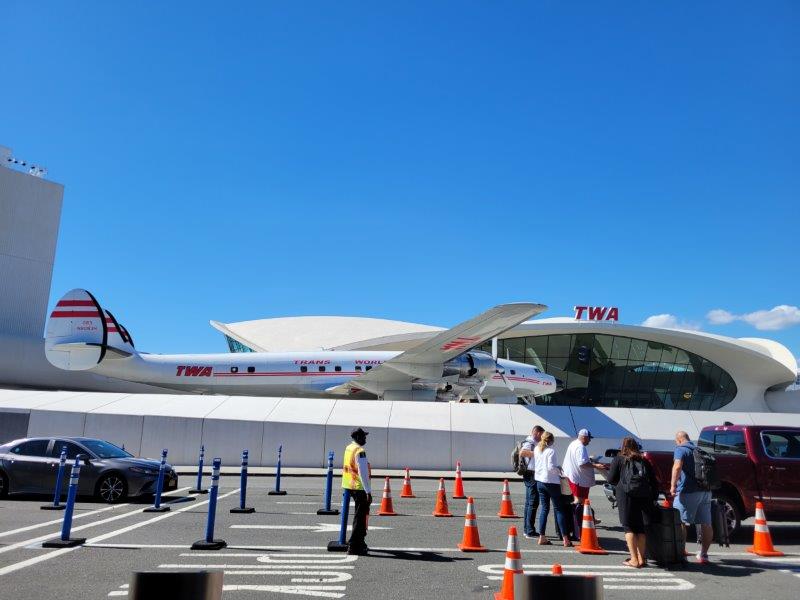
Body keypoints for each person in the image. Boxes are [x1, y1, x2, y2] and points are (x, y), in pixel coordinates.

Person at [608, 437, 658, 568]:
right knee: (640, 528)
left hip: (626, 495)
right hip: (644, 496)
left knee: (628, 527)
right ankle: (642, 559)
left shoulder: (619, 459)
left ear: (623, 446)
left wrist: (621, 485)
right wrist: (654, 497)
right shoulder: (644, 460)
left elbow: (611, 478)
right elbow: (653, 480)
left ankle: (634, 559)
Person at [670, 430, 712, 564]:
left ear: (679, 440)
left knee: (681, 522)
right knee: (706, 523)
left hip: (688, 491)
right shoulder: (699, 450)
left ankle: (681, 552)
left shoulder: (681, 450)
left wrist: (673, 486)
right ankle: (704, 555)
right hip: (705, 491)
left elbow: (677, 467)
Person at [533, 431, 572, 547]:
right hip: (551, 482)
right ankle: (565, 539)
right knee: (559, 509)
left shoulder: (537, 449)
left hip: (540, 480)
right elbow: (550, 467)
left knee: (544, 509)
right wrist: (558, 469)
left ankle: (542, 537)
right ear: (551, 440)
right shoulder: (551, 451)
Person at [342, 427, 372, 555]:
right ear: (358, 437)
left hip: (348, 485)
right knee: (360, 517)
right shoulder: (360, 451)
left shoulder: (349, 448)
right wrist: (368, 491)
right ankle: (354, 545)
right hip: (359, 487)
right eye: (364, 436)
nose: (365, 438)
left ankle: (359, 542)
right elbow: (363, 472)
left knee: (359, 516)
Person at [518, 425, 545, 539]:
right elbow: (522, 452)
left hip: (531, 474)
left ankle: (527, 529)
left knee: (529, 503)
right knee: (533, 503)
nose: (542, 437)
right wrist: (537, 453)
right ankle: (529, 530)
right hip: (531, 474)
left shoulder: (532, 442)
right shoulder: (530, 442)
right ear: (537, 433)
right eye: (542, 435)